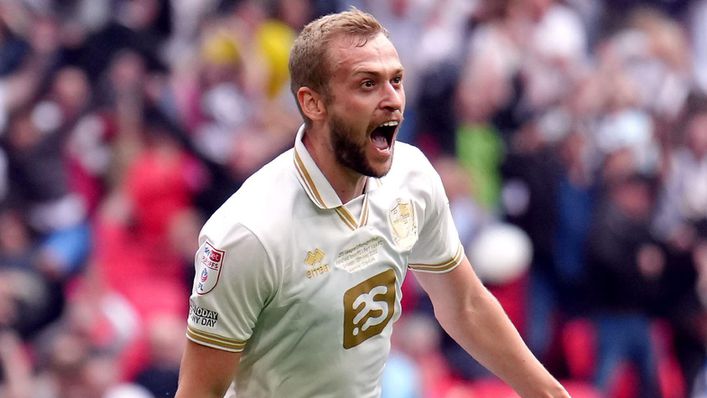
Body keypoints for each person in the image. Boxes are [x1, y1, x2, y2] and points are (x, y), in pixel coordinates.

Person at [175, 8, 570, 398]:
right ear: (313, 103)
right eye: (367, 84)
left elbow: (464, 305)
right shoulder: (248, 234)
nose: (393, 100)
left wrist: (548, 393)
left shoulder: (411, 176)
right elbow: (199, 392)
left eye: (396, 80)